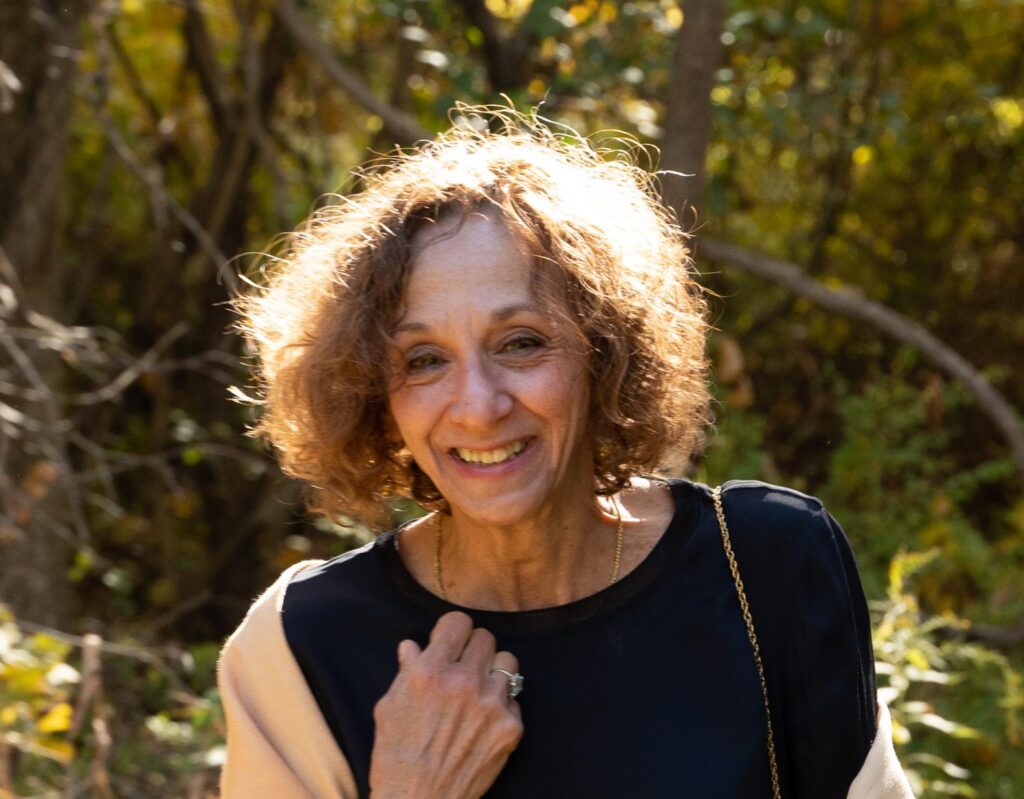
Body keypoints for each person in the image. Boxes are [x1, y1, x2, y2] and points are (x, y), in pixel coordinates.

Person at [218, 109, 914, 798]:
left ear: (604, 350)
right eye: (425, 359)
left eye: (521, 341)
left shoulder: (766, 567)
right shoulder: (299, 646)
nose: (479, 404)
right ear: (373, 393)